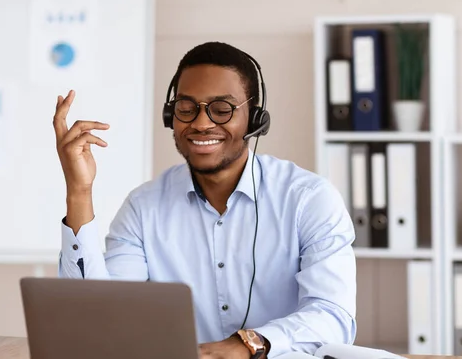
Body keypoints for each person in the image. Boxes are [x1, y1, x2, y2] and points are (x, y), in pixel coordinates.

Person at [53, 41, 357, 358]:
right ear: (172, 114)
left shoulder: (309, 200)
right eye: (187, 108)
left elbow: (334, 317)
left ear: (254, 119)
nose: (200, 123)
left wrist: (247, 344)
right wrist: (79, 190)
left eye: (222, 110)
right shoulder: (144, 207)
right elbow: (98, 317)